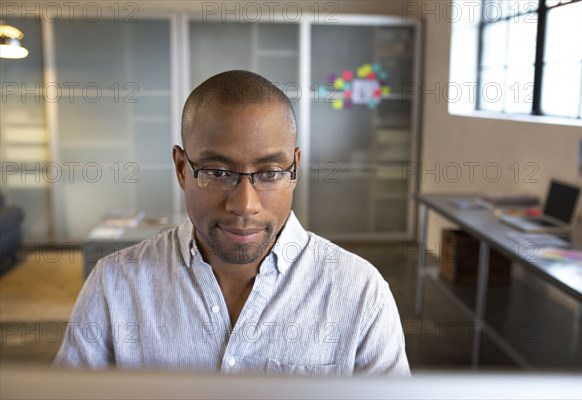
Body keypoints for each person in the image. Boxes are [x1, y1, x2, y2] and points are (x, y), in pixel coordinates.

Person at [54, 70, 410, 376]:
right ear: (182, 169)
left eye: (270, 173)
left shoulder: (360, 292)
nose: (244, 205)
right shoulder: (114, 286)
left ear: (295, 169)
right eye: (217, 172)